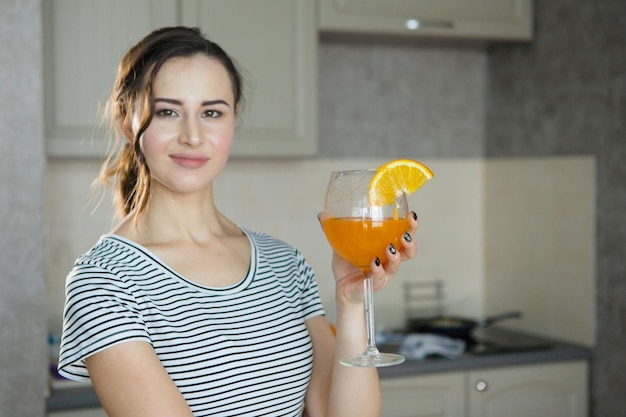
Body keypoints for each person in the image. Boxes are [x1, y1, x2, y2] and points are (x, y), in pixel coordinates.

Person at [57, 26, 419, 417]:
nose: (193, 136)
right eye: (167, 112)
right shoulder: (105, 282)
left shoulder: (284, 263)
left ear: (233, 121)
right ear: (127, 121)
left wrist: (350, 304)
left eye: (211, 112)